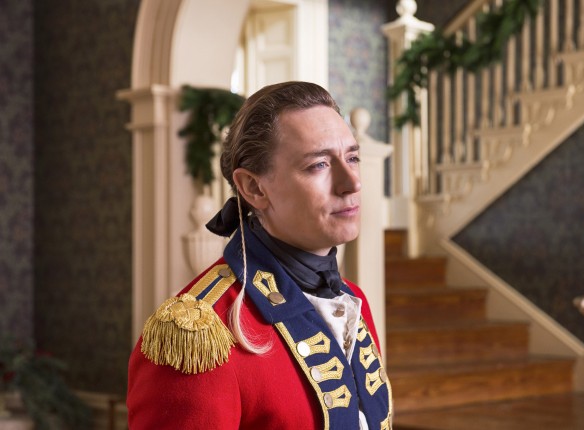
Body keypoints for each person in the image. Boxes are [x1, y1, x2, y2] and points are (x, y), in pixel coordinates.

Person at [126, 81, 393, 429]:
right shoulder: (200, 337)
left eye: (352, 157)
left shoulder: (354, 299)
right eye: (319, 165)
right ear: (254, 187)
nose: (352, 183)